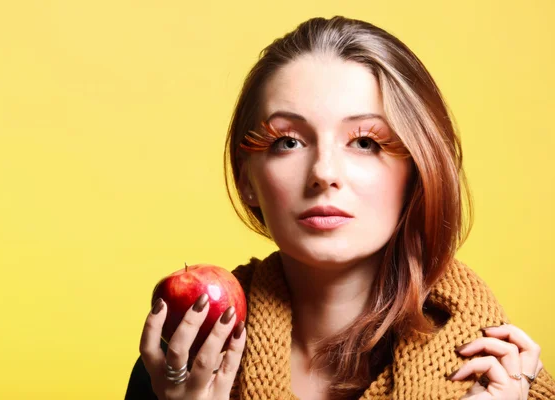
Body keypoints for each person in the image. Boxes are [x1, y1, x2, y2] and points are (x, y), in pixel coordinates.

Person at [125, 16, 555, 399]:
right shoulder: (182, 364)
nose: (324, 172)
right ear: (247, 180)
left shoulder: (501, 377)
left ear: (416, 173)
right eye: (288, 141)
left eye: (365, 142)